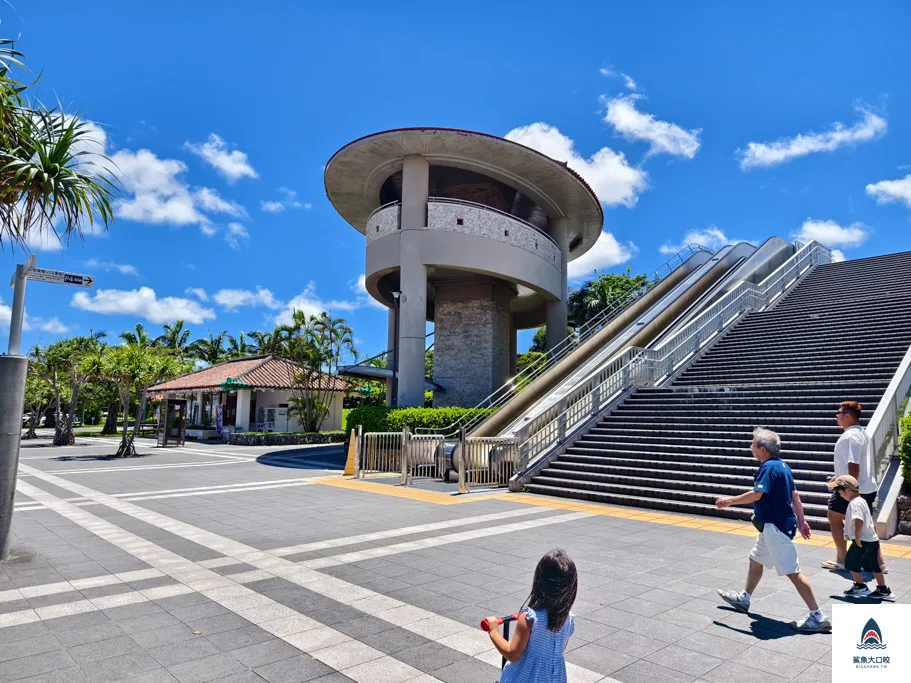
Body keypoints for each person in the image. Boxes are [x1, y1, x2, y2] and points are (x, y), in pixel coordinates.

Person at [715, 428, 831, 633]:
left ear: (762, 449)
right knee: (756, 560)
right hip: (773, 527)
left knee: (793, 572)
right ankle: (744, 598)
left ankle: (818, 616)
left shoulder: (768, 468)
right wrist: (802, 521)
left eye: (753, 444)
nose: (750, 447)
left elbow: (758, 494)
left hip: (775, 528)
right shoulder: (783, 466)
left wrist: (729, 501)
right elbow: (795, 496)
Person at [484, 549, 577, 682]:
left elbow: (513, 654)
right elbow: (559, 650)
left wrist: (493, 631)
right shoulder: (567, 619)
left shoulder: (530, 618)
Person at [821, 401, 885, 573]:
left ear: (847, 416)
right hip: (864, 487)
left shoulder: (851, 436)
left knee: (834, 517)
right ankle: (879, 563)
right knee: (866, 525)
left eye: (839, 413)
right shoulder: (861, 434)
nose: (837, 416)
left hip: (852, 489)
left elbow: (854, 465)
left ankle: (842, 559)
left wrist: (848, 489)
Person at [828, 475, 892, 599]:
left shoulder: (854, 503)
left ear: (847, 490)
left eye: (839, 491)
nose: (839, 494)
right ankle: (883, 589)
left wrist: (856, 536)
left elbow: (858, 519)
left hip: (862, 539)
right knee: (873, 564)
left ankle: (860, 586)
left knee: (850, 561)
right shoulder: (861, 500)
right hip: (871, 539)